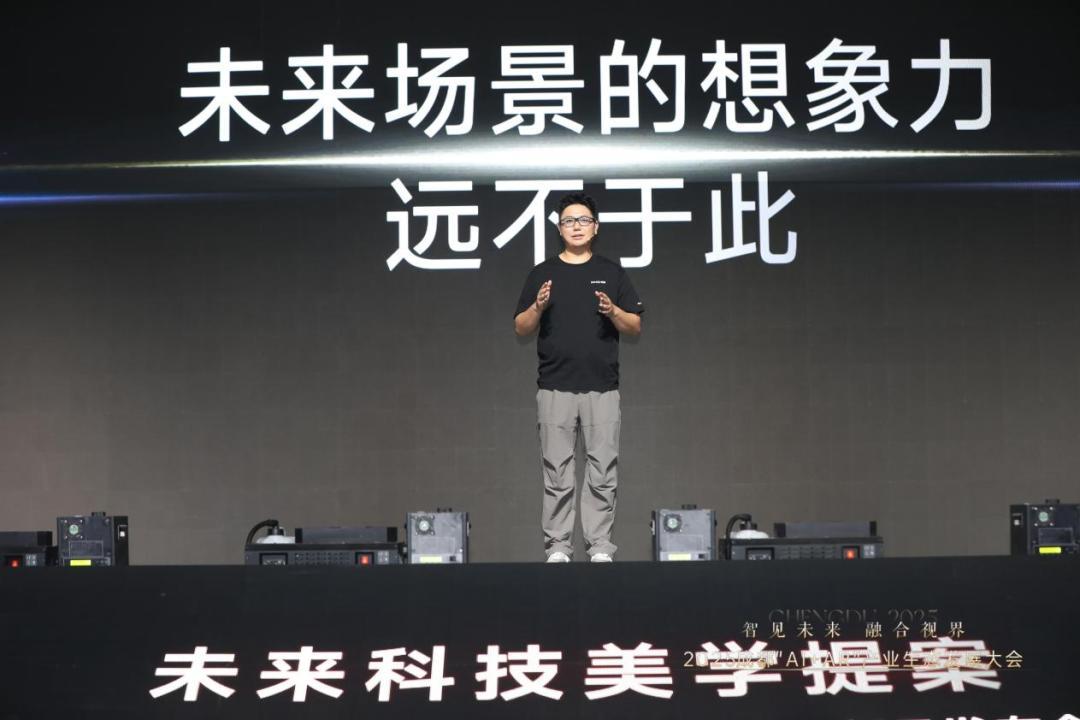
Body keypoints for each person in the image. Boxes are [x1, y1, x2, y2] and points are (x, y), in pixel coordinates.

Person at [513, 192, 644, 562]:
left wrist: (613, 310)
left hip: (602, 387)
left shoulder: (612, 273)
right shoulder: (542, 273)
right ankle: (558, 546)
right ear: (559, 228)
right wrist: (538, 306)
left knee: (603, 470)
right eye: (569, 220)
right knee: (557, 471)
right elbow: (521, 327)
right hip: (555, 386)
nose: (576, 226)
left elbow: (634, 325)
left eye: (583, 220)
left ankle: (599, 546)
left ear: (595, 227)